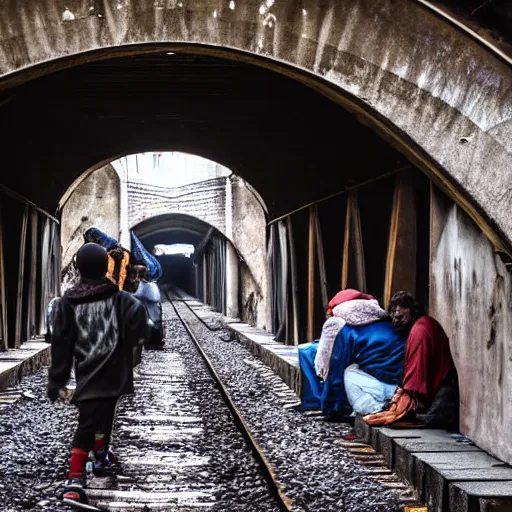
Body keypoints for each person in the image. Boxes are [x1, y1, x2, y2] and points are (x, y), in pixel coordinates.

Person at [46, 243, 149, 508]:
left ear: (79, 268)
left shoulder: (67, 304)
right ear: (106, 268)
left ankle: (84, 471)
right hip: (114, 373)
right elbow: (141, 323)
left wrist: (57, 379)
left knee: (91, 421)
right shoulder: (121, 299)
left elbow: (61, 345)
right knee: (97, 420)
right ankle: (77, 477)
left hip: (88, 373)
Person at [298, 289, 406, 420]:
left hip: (383, 387)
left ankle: (376, 409)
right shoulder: (388, 324)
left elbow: (336, 371)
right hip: (402, 386)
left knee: (348, 372)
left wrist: (329, 407)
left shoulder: (347, 330)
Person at [363, 291, 458, 428]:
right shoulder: (422, 326)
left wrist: (402, 403)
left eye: (400, 317)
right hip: (440, 390)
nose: (396, 322)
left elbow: (415, 381)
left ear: (412, 312)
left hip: (442, 397)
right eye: (394, 318)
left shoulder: (419, 330)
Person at [133, 265, 165, 349]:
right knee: (154, 324)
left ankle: (153, 342)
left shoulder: (146, 285)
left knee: (152, 324)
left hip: (151, 311)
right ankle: (154, 341)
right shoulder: (150, 285)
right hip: (153, 311)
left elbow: (138, 295)